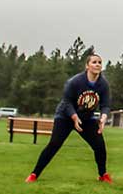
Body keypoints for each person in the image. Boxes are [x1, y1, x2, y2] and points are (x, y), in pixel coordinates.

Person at [25, 54, 113, 183]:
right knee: (54, 144)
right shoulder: (75, 81)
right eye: (94, 62)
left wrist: (103, 118)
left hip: (86, 119)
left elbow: (105, 104)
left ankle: (103, 175)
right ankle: (34, 174)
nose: (98, 64)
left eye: (100, 62)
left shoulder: (103, 84)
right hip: (65, 116)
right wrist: (74, 117)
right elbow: (67, 102)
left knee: (99, 146)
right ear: (87, 66)